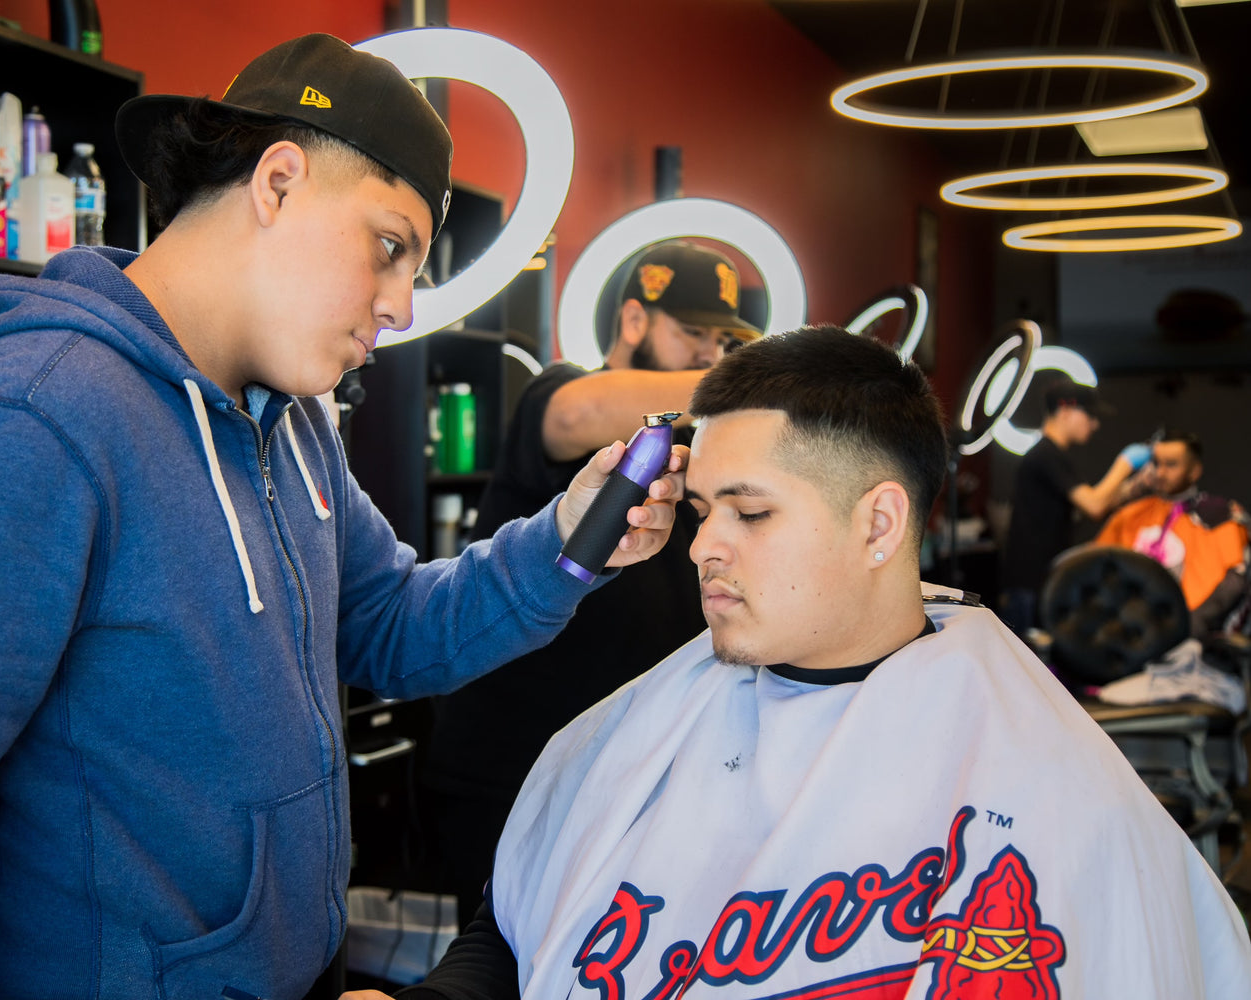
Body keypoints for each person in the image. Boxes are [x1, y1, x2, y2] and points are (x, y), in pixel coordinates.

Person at [0, 34, 691, 1000]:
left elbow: (390, 626)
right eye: (389, 247)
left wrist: (569, 543)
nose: (402, 306)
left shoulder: (291, 424)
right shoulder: (35, 417)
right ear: (279, 183)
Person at [375, 326, 1251, 1000]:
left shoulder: (1048, 780)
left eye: (750, 515)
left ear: (879, 524)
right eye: (703, 510)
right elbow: (516, 925)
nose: (701, 548)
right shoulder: (652, 719)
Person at [421, 242, 760, 921]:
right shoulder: (562, 396)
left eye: (722, 340)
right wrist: (755, 388)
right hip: (513, 769)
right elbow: (579, 413)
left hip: (624, 773)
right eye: (692, 332)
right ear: (634, 320)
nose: (709, 353)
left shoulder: (699, 453)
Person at [998, 379, 1147, 633]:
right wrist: (1125, 463)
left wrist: (1136, 487)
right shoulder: (1046, 455)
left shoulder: (1053, 455)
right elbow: (1093, 504)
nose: (1095, 424)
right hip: (1030, 586)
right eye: (1089, 415)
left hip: (1037, 582)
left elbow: (1092, 505)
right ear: (1065, 412)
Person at [1094, 430, 1249, 635]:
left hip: (1184, 630)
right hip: (1121, 627)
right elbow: (1094, 566)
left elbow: (1235, 579)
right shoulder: (1131, 514)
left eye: (1171, 464)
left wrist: (1194, 624)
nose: (1160, 473)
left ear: (1194, 471)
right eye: (1157, 464)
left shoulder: (1218, 516)